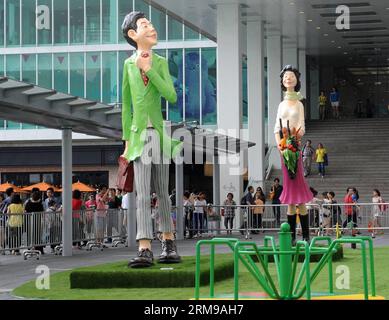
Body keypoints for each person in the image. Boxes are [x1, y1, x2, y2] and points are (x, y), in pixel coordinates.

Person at [121, 11, 183, 268]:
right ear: (133, 35)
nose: (152, 28)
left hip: (158, 134)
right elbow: (126, 105)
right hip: (138, 136)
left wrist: (149, 69)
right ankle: (144, 245)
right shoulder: (127, 65)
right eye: (145, 25)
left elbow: (171, 95)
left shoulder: (159, 62)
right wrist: (126, 141)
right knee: (143, 194)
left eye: (151, 24)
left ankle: (168, 241)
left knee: (163, 193)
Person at [274, 65, 313, 244]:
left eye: (291, 76)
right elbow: (276, 128)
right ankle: (291, 237)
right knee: (290, 196)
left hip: (295, 148)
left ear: (297, 80)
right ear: (282, 81)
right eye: (285, 76)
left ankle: (305, 234)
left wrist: (295, 138)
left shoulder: (299, 103)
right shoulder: (281, 104)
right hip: (284, 150)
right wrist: (280, 146)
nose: (288, 78)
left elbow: (302, 127)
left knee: (299, 193)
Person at [24, 190, 45, 254]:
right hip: (38, 221)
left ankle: (29, 248)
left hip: (29, 221)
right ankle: (39, 249)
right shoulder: (40, 204)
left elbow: (25, 211)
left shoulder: (28, 203)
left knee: (30, 235)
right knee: (38, 235)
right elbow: (42, 212)